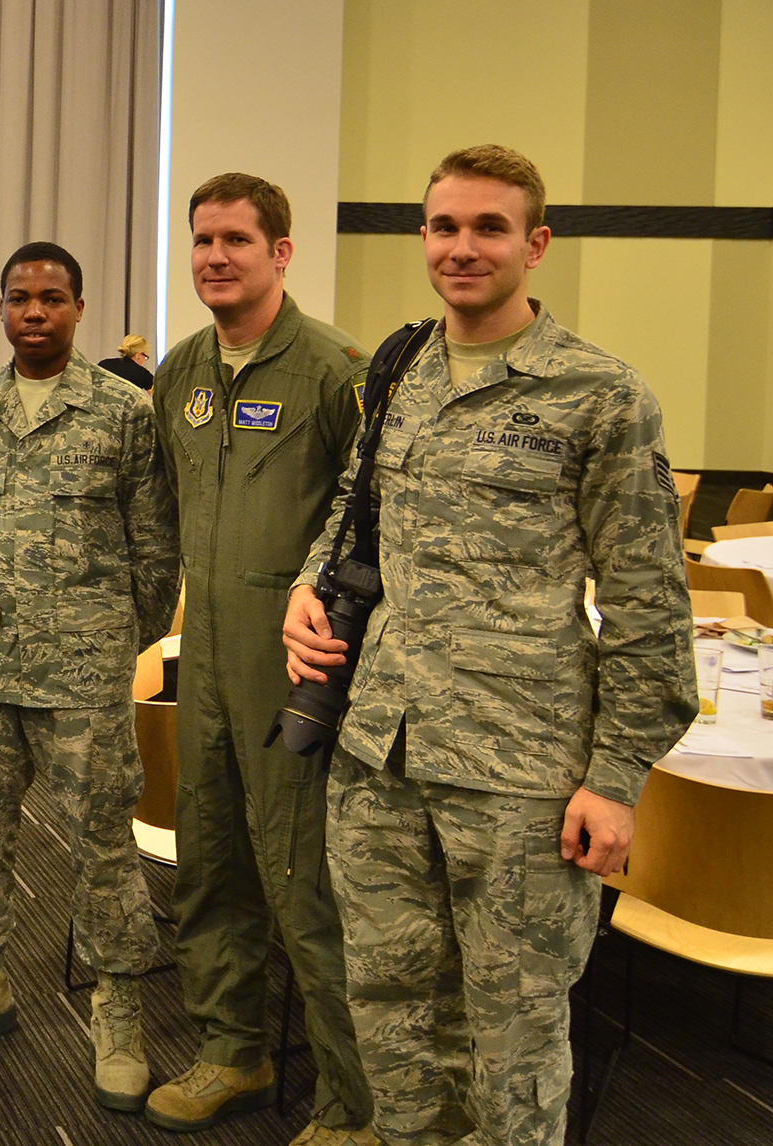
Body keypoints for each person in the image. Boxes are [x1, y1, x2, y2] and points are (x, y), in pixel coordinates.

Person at [282, 145, 696, 1145]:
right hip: (378, 754)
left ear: (535, 244)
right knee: (390, 1014)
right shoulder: (397, 372)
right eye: (444, 227)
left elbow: (648, 608)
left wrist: (617, 776)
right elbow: (355, 509)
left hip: (523, 776)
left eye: (488, 228)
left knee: (512, 1041)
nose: (461, 248)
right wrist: (306, 582)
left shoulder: (600, 395)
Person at [0, 242, 178, 1112]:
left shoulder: (123, 415)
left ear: (80, 307)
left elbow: (155, 555)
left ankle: (120, 1010)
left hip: (84, 679)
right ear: (1, 308)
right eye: (19, 298)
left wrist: (105, 643)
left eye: (51, 298)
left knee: (103, 848)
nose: (34, 312)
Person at [144, 174, 377, 1145]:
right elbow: (164, 513)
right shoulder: (182, 371)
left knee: (305, 884)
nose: (214, 257)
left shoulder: (336, 371)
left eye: (237, 239)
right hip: (205, 664)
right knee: (210, 864)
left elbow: (370, 520)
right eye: (202, 240)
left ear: (282, 252)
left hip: (297, 672)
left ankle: (353, 1102)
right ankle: (231, 1051)